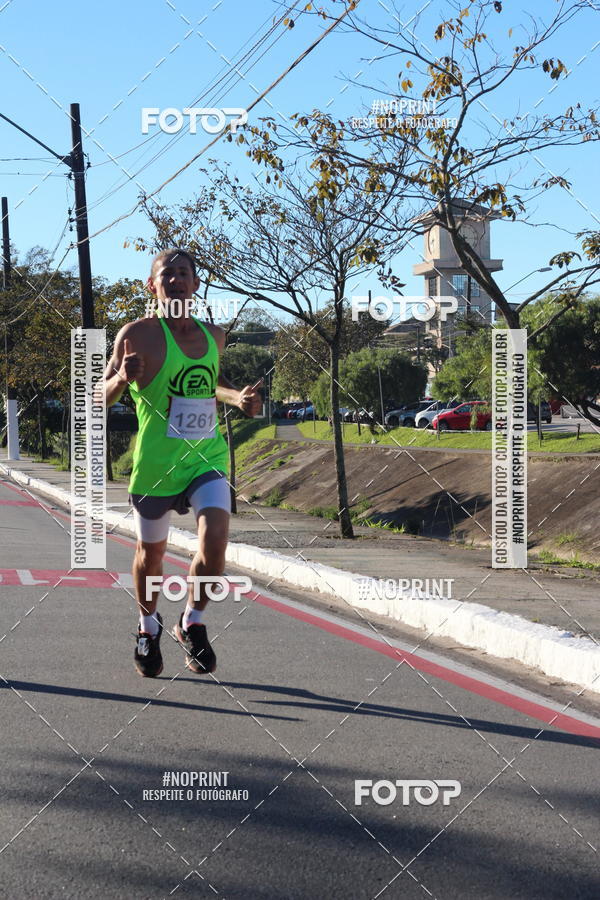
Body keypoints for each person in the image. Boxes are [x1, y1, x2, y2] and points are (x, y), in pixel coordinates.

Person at [103, 248, 262, 677]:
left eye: (183, 273)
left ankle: (191, 621)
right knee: (150, 556)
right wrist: (121, 377)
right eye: (166, 274)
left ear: (195, 284)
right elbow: (97, 398)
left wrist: (239, 399)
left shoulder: (215, 335)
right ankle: (147, 625)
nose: (175, 280)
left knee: (214, 547)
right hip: (156, 464)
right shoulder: (136, 334)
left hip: (204, 457)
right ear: (152, 286)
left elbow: (212, 384)